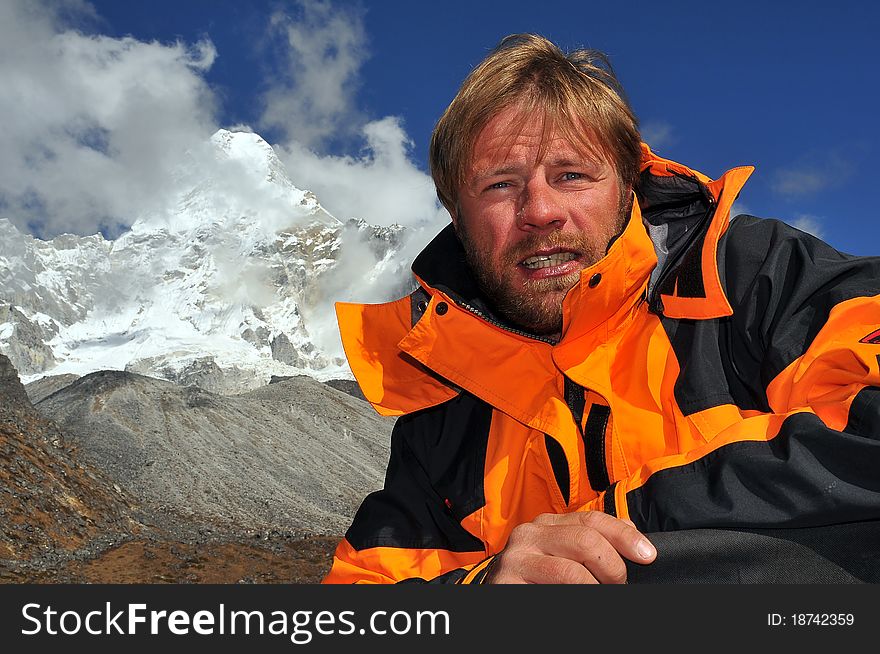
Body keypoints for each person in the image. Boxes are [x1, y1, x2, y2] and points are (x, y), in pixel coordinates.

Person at [322, 33, 880, 584]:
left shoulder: (753, 275)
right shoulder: (441, 406)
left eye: (571, 175)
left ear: (626, 187)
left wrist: (624, 525)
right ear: (457, 216)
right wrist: (483, 591)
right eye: (498, 185)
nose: (540, 211)